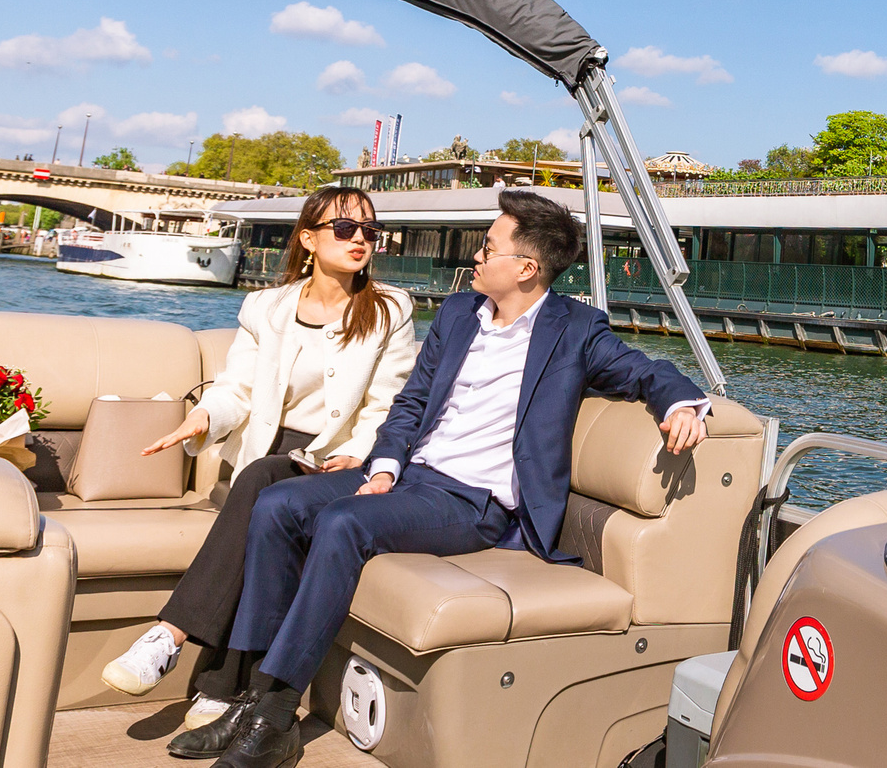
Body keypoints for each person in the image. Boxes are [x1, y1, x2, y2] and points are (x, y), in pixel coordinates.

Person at [193, 189, 709, 768]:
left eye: (488, 247)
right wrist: (384, 467)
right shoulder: (459, 314)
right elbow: (411, 403)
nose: (476, 256)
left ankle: (274, 716)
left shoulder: (576, 328)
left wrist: (681, 405)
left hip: (473, 502)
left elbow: (645, 371)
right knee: (277, 504)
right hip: (410, 476)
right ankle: (249, 696)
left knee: (342, 522)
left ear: (526, 268)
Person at [101, 185, 416, 754]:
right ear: (309, 239)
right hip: (266, 455)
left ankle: (171, 637)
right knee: (260, 484)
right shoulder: (265, 308)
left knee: (260, 484)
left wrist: (361, 453)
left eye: (370, 230)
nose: (361, 239)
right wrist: (202, 417)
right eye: (345, 228)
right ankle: (221, 688)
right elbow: (237, 389)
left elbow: (387, 405)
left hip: (337, 461)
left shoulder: (390, 310)